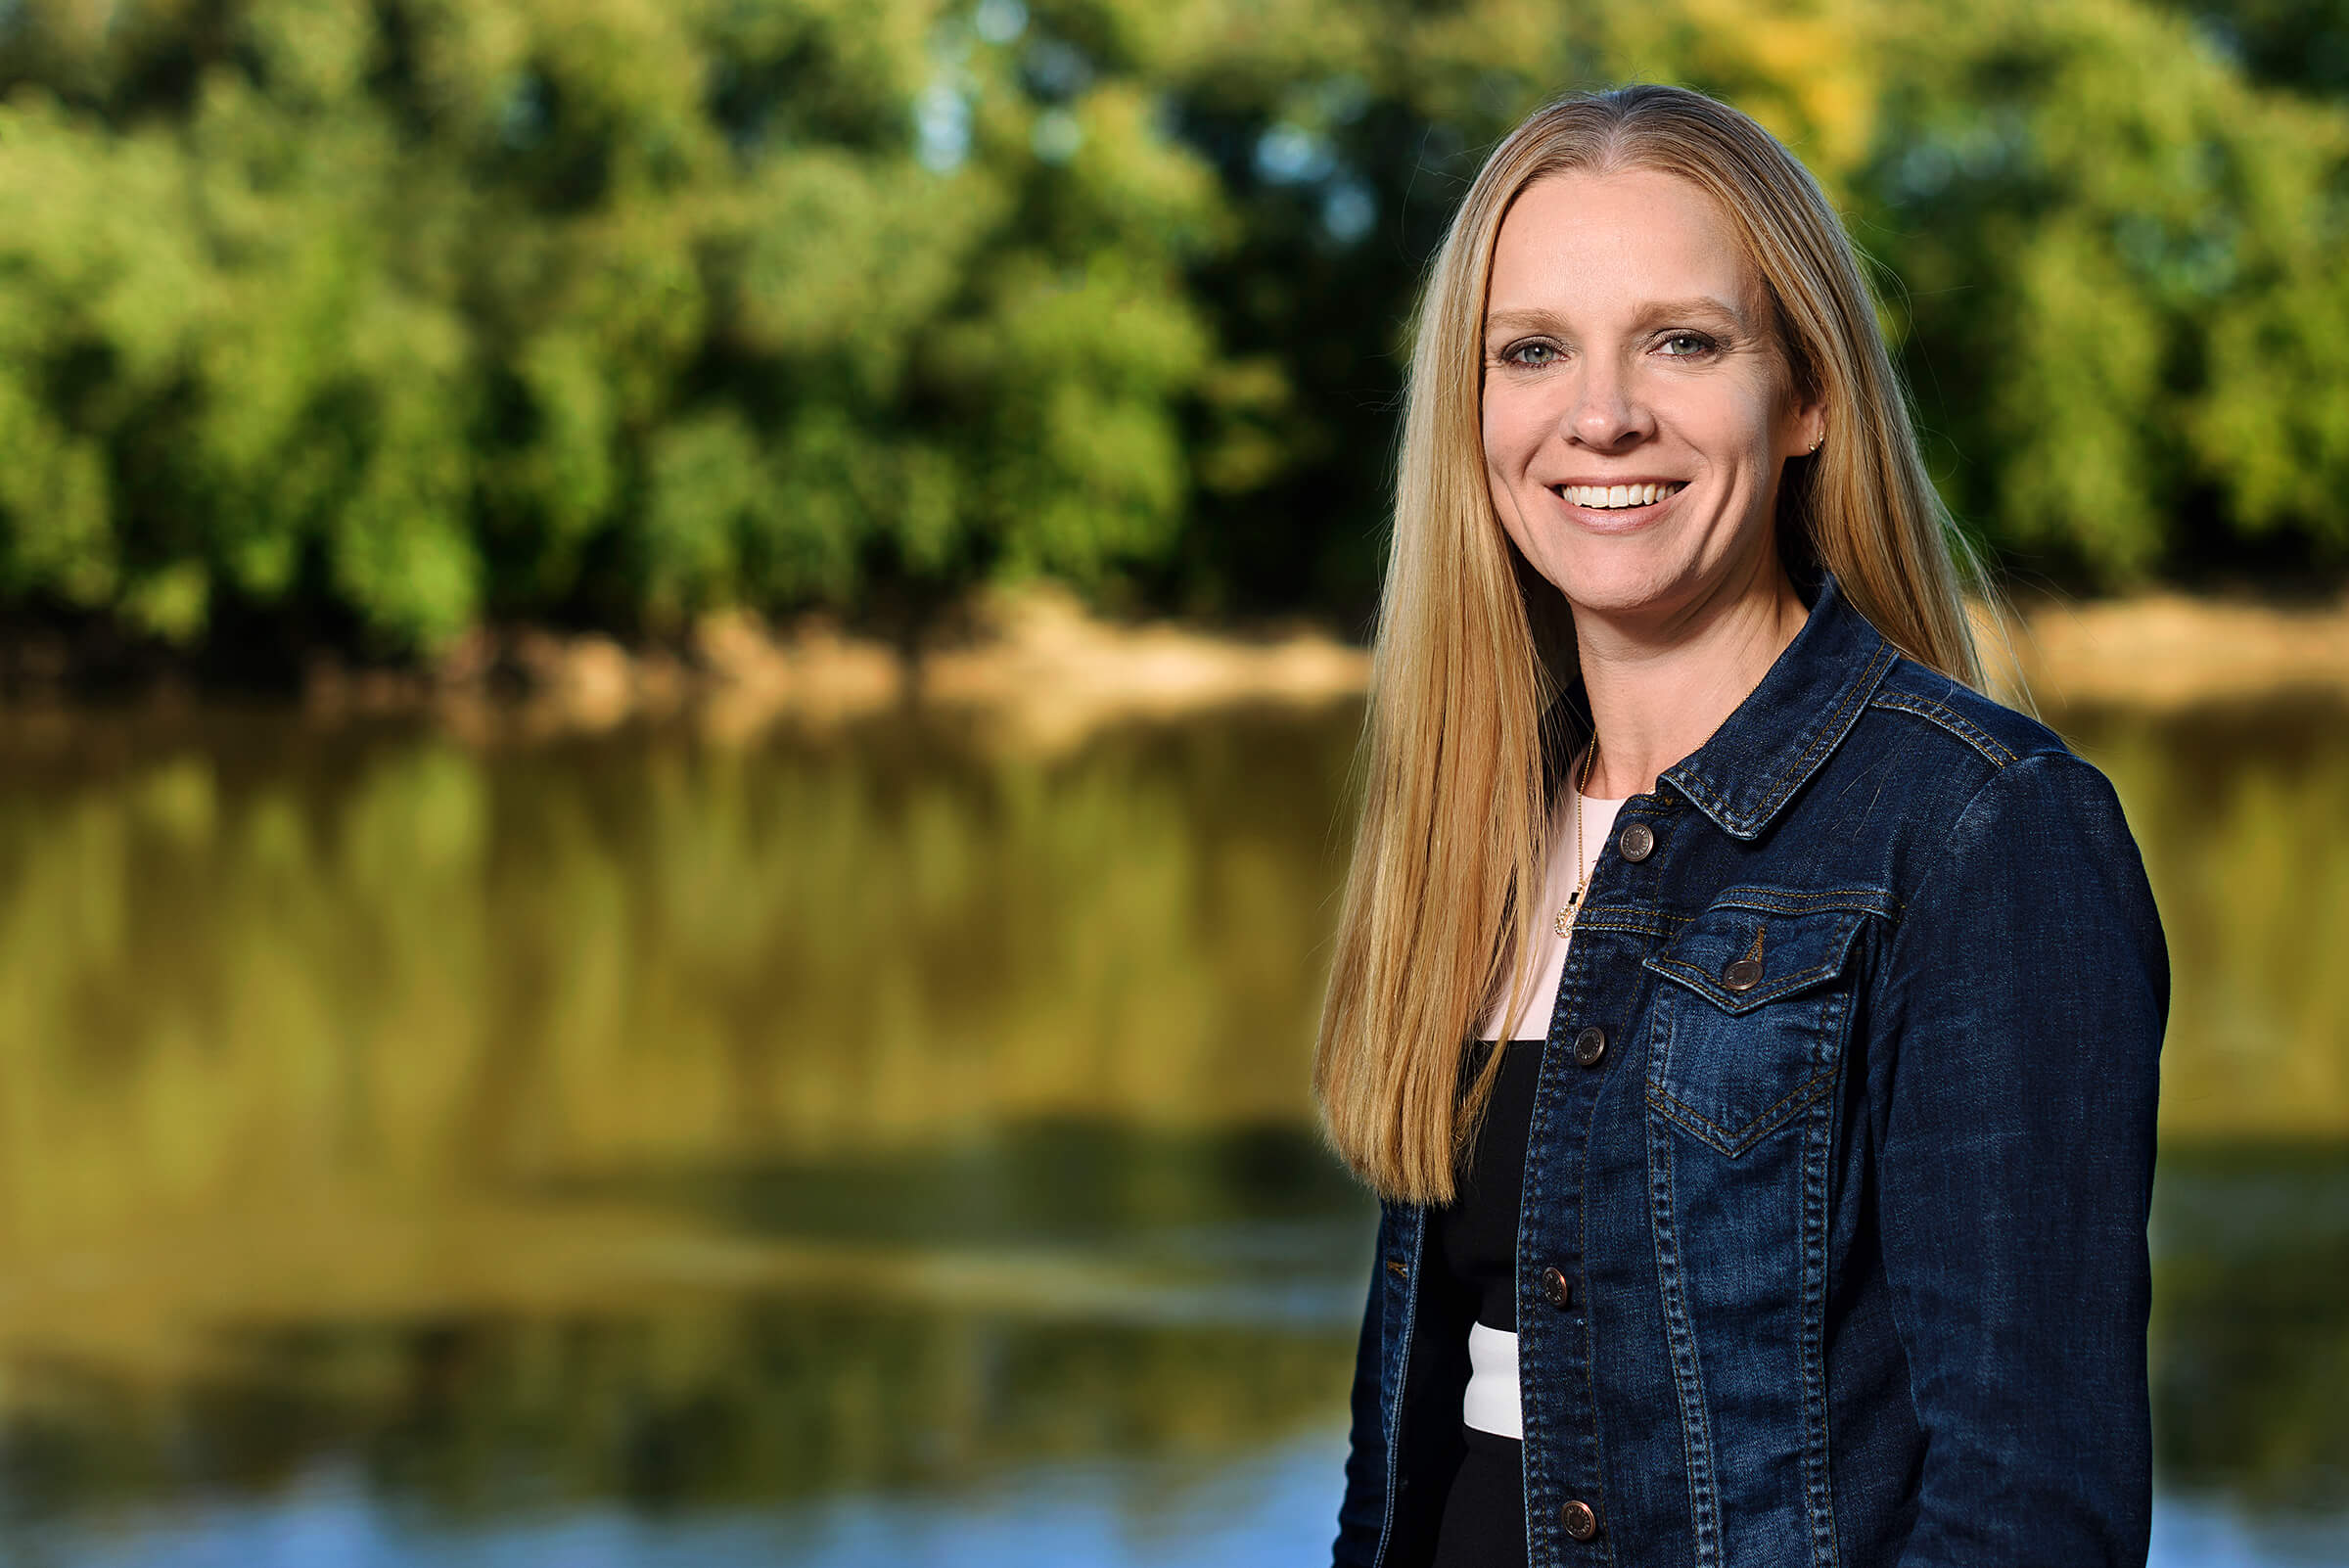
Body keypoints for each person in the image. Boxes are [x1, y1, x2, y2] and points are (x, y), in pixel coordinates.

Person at [1316, 84, 2167, 1567]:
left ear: (1810, 394)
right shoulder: (1476, 827)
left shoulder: (1980, 831)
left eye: (1683, 342)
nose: (1601, 415)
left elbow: (2032, 1511)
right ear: (1475, 412)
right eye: (1533, 351)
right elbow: (1404, 1447)